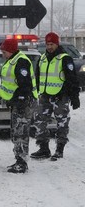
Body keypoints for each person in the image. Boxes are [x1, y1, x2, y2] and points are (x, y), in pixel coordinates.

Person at [30, 32, 80, 161]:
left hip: (60, 97)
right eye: (47, 44)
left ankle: (59, 149)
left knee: (62, 123)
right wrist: (35, 92)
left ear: (57, 44)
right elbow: (37, 77)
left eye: (52, 44)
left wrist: (74, 97)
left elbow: (72, 79)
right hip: (45, 96)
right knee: (39, 121)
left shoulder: (64, 58)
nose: (49, 47)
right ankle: (43, 148)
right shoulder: (42, 58)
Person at [0, 39, 38, 173]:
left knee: (20, 132)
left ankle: (21, 163)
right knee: (16, 131)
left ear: (11, 50)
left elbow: (25, 84)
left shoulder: (21, 61)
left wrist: (20, 99)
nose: (3, 54)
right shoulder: (13, 60)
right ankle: (19, 160)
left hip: (23, 103)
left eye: (4, 52)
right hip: (17, 102)